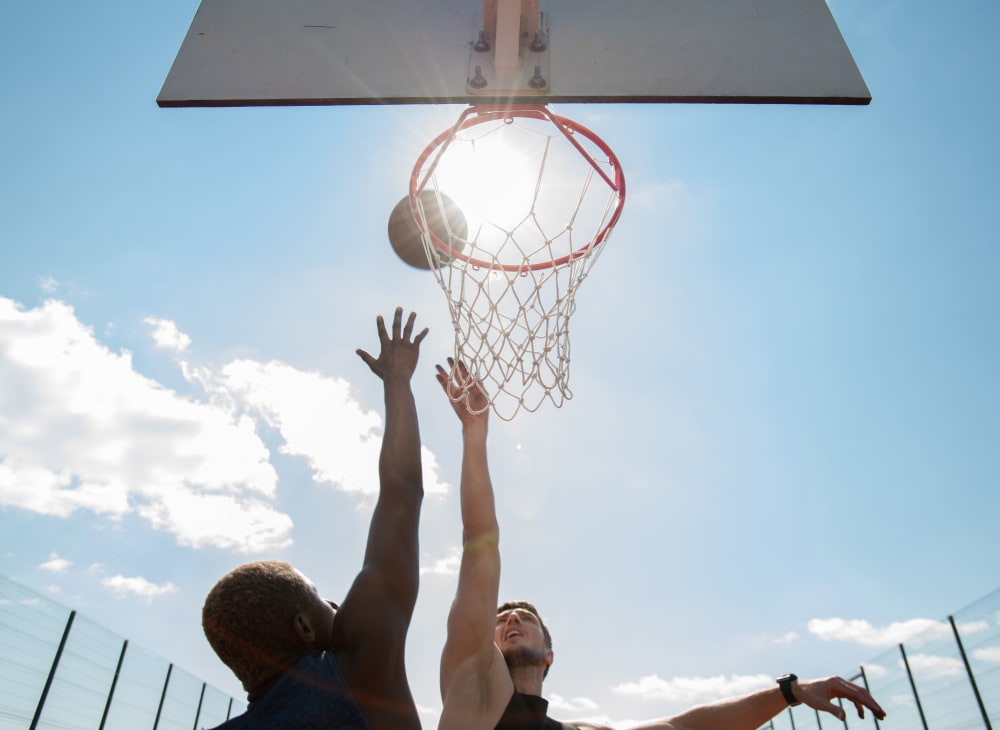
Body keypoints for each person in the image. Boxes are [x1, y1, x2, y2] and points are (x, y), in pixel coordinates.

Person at [435, 359, 887, 730]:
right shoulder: (474, 682)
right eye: (502, 619)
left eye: (525, 618)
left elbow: (684, 728)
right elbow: (480, 546)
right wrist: (475, 435)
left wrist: (787, 692)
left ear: (550, 655)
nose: (511, 617)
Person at [202, 308, 428, 730]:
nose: (336, 604)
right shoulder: (356, 669)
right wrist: (397, 383)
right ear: (304, 627)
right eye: (319, 595)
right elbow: (402, 494)